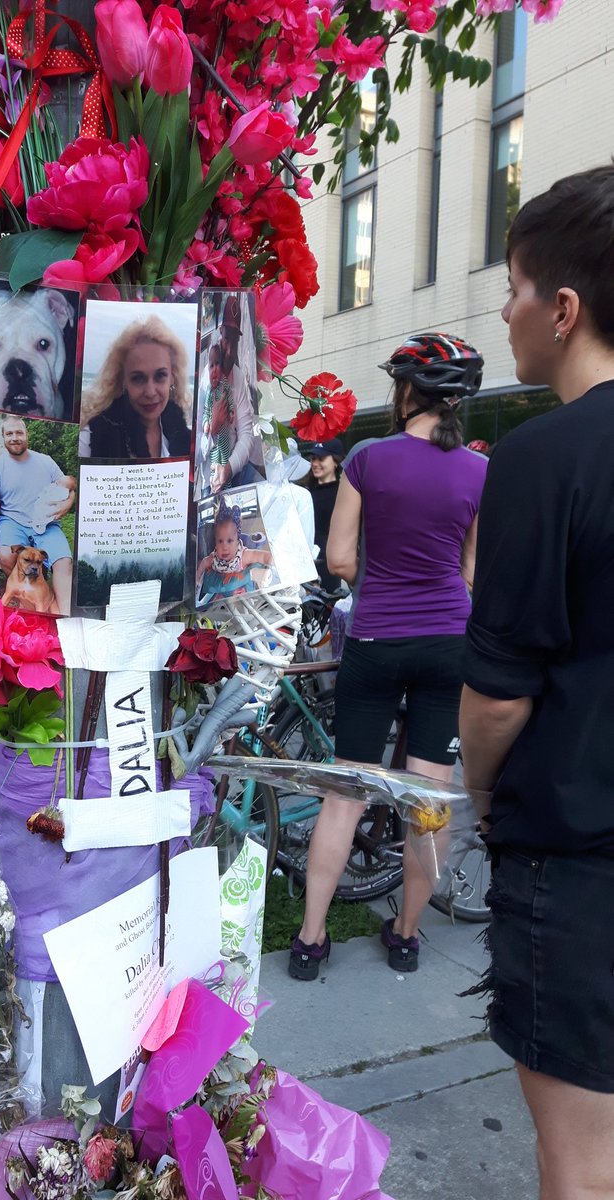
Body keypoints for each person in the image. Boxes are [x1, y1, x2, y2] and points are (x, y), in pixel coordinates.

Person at [458, 166, 614, 1200]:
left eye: (515, 286)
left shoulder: (542, 457)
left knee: (583, 1161)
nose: (505, 309)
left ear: (563, 310)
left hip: (579, 855)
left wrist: (477, 796)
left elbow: (499, 699)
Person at [288, 331, 487, 982]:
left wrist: (382, 580)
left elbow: (340, 558)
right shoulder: (482, 472)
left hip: (375, 642)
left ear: (408, 392)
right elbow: (471, 573)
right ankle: (405, 936)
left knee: (346, 791)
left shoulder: (369, 458)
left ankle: (311, 941)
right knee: (429, 800)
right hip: (447, 646)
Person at [0, 415, 75, 614]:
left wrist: (66, 506)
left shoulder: (45, 462)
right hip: (13, 521)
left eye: (19, 432)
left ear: (26, 434)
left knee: (65, 562)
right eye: (9, 434)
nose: (14, 438)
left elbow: (70, 488)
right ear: (3, 437)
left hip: (46, 525)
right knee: (5, 554)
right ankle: (24, 593)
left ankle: (64, 615)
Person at [79, 315, 191, 460]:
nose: (150, 392)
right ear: (122, 380)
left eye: (160, 376)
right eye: (138, 378)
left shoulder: (185, 437)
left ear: (172, 377)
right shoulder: (89, 440)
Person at [209, 295, 261, 493]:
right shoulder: (206, 375)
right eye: (226, 339)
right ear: (220, 333)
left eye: (234, 341)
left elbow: (246, 434)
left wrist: (228, 469)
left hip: (231, 473)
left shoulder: (238, 378)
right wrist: (213, 425)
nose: (230, 350)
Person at [196, 495, 273, 603]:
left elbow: (264, 556)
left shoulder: (243, 555)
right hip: (223, 598)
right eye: (220, 541)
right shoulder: (214, 557)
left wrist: (273, 562)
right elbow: (204, 562)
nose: (224, 547)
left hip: (244, 599)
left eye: (230, 541)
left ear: (237, 540)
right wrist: (198, 578)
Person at [297, 437, 345, 593]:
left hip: (337, 563)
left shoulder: (346, 492)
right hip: (307, 564)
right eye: (313, 458)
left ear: (336, 461)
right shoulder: (303, 493)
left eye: (321, 458)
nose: (315, 463)